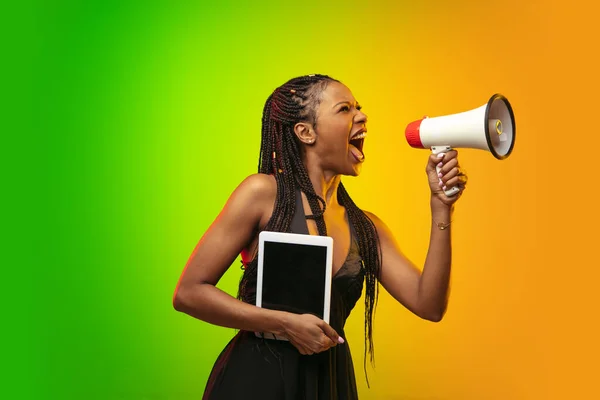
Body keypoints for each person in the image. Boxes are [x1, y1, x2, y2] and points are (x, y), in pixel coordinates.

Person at [172, 74, 468, 399]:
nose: (362, 116)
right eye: (344, 109)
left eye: (359, 108)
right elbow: (189, 293)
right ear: (305, 132)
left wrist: (441, 208)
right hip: (260, 379)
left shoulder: (366, 228)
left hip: (329, 383)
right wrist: (283, 323)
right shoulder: (262, 195)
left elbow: (430, 304)